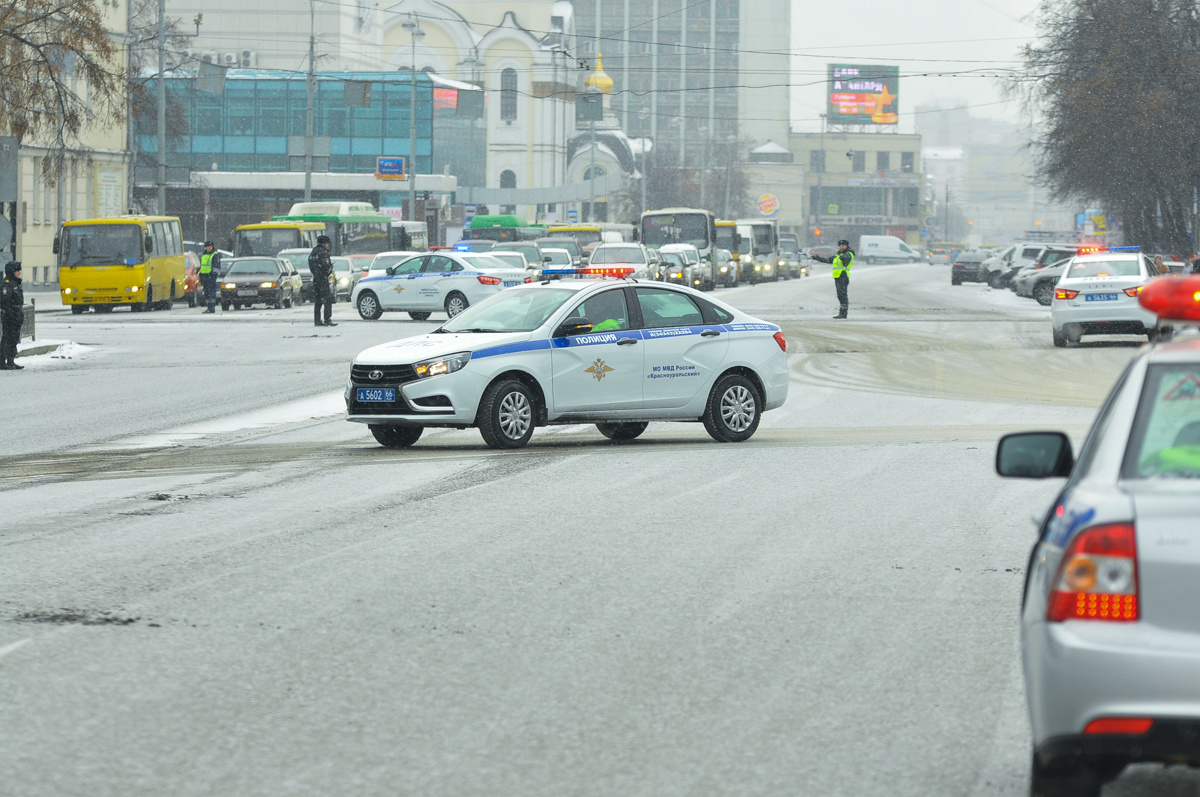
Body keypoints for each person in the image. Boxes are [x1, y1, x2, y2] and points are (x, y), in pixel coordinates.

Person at [812, 239, 854, 318]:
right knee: (840, 295)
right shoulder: (838, 255)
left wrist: (842, 255)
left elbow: (846, 259)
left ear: (847, 246)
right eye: (840, 245)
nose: (841, 247)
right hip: (837, 277)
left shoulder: (849, 253)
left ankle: (843, 313)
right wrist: (817, 258)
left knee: (843, 295)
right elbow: (828, 260)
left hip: (843, 276)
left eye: (843, 245)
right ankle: (842, 313)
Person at [1, 261, 25, 370]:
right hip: (10, 316)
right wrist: (11, 314)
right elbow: (5, 302)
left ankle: (11, 360)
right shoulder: (7, 284)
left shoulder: (15, 283)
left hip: (16, 315)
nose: (19, 272)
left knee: (14, 338)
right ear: (12, 271)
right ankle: (3, 361)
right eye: (17, 270)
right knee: (7, 338)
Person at [308, 235, 337, 327]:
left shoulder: (313, 252)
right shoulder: (323, 252)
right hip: (323, 278)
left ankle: (317, 320)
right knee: (327, 299)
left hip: (316, 278)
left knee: (318, 300)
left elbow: (311, 265)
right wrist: (328, 270)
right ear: (325, 243)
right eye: (327, 243)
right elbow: (325, 265)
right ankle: (327, 319)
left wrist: (316, 272)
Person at [199, 241, 221, 313]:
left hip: (210, 276)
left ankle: (211, 307)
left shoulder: (215, 254)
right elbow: (202, 266)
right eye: (208, 246)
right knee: (206, 293)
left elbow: (216, 267)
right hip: (204, 276)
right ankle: (209, 307)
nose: (209, 248)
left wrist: (213, 276)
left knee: (211, 293)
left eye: (210, 246)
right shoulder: (204, 255)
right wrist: (201, 275)